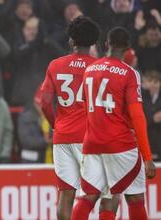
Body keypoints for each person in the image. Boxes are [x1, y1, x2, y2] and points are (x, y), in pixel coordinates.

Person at [71, 27, 156, 220]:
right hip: (120, 144)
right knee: (135, 198)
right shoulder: (129, 74)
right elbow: (138, 116)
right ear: (127, 48)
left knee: (91, 197)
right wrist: (147, 156)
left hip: (92, 143)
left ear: (107, 44)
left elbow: (85, 108)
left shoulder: (89, 70)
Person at [40, 16, 100, 219]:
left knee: (65, 194)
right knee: (95, 190)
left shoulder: (55, 65)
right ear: (93, 42)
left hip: (63, 135)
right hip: (89, 137)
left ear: (71, 40)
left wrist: (56, 125)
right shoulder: (99, 67)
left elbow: (45, 103)